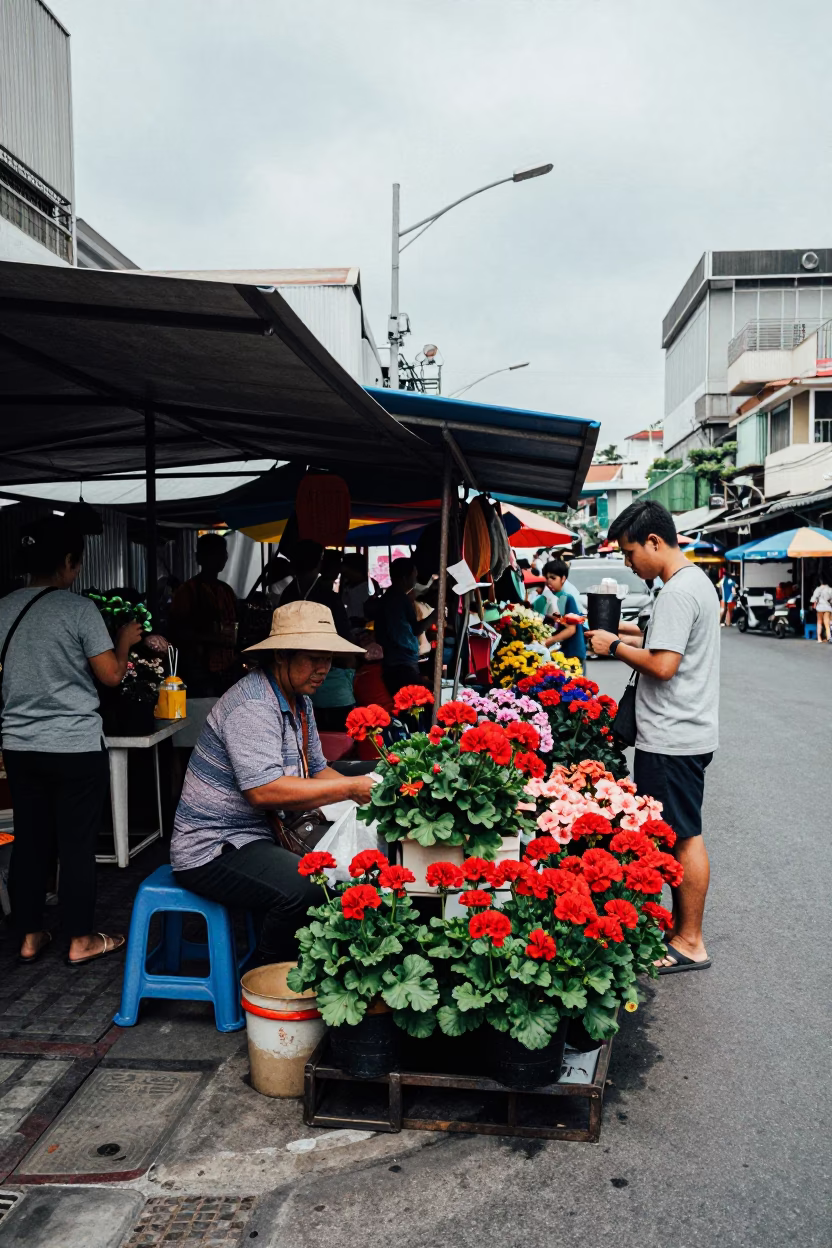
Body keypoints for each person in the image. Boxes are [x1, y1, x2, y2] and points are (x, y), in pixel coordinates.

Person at [170, 601, 374, 963]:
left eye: (328, 658)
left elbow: (317, 769)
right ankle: (264, 976)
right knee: (307, 889)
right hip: (214, 847)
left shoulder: (299, 700)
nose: (323, 669)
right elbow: (263, 792)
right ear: (281, 654)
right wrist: (349, 789)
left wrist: (370, 791)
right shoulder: (253, 704)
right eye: (313, 658)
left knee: (350, 869)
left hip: (259, 835)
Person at [0, 516, 142, 967]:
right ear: (66, 561)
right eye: (77, 563)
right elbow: (111, 677)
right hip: (75, 747)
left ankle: (28, 934)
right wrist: (123, 642)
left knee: (31, 840)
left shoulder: (2, 608)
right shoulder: (78, 610)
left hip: (20, 746)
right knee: (77, 844)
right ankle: (81, 939)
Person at [587, 499, 719, 975]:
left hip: (673, 737)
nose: (627, 563)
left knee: (683, 837)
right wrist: (625, 635)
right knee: (680, 834)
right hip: (681, 733)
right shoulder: (688, 584)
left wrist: (613, 646)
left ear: (654, 542)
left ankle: (690, 941)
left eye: (628, 553)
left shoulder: (679, 591)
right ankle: (681, 932)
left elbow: (664, 666)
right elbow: (665, 645)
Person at [170, 533, 239, 696]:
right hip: (199, 672)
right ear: (200, 558)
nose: (223, 558)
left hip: (228, 668)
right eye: (216, 553)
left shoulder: (226, 591)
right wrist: (212, 638)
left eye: (223, 553)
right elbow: (177, 632)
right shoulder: (188, 591)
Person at [374, 557, 435, 696]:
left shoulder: (397, 597)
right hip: (400, 663)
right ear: (404, 578)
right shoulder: (396, 599)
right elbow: (413, 631)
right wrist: (433, 617)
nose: (416, 580)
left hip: (401, 661)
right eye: (414, 576)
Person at [541, 559, 587, 672]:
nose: (549, 582)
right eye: (546, 578)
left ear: (563, 579)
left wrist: (548, 641)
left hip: (572, 654)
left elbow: (571, 629)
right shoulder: (549, 597)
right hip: (559, 653)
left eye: (553, 578)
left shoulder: (567, 598)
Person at [810, 578, 832, 643]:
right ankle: (829, 638)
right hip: (827, 608)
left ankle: (819, 639)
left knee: (819, 623)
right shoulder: (830, 589)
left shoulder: (817, 589)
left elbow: (813, 599)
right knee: (827, 624)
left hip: (819, 608)